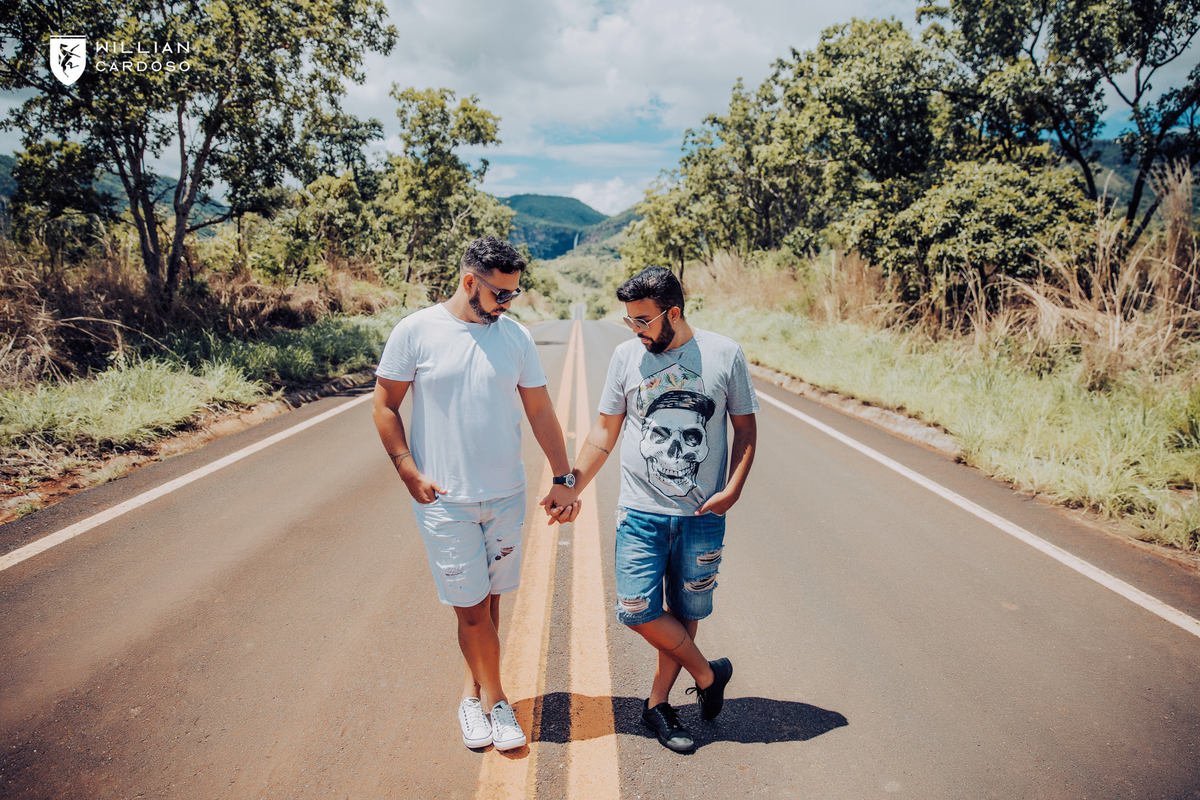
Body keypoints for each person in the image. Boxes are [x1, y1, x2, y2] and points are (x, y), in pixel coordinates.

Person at [372, 236, 579, 752]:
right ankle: (498, 703)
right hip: (446, 501)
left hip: (505, 495)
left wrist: (564, 476)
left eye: (514, 293)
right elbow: (384, 405)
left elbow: (539, 411)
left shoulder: (515, 338)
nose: (509, 303)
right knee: (469, 610)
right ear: (470, 283)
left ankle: (472, 695)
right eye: (501, 294)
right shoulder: (416, 331)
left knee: (489, 605)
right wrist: (407, 469)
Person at [561, 265, 758, 753]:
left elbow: (746, 429)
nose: (635, 330)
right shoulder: (627, 356)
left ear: (673, 312)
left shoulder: (724, 354)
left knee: (687, 610)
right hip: (640, 513)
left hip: (702, 518)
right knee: (636, 609)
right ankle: (709, 674)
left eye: (643, 321)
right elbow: (605, 432)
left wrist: (732, 489)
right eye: (629, 320)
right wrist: (571, 483)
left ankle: (658, 705)